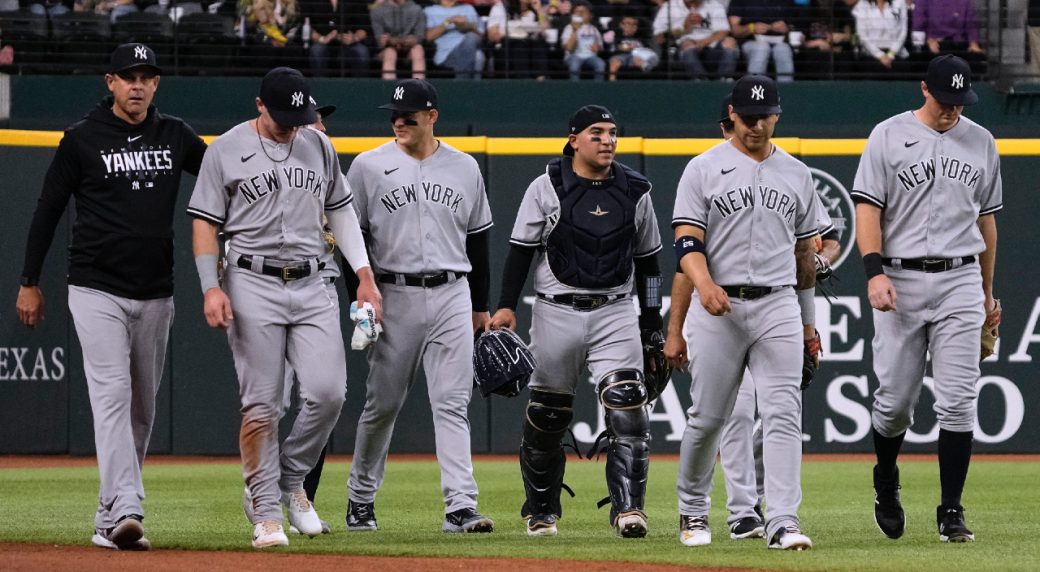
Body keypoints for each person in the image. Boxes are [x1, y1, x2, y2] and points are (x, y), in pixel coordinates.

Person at [15, 43, 207, 551]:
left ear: (156, 84)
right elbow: (47, 209)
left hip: (155, 291)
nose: (137, 84)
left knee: (141, 408)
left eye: (146, 76)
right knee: (113, 395)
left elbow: (221, 174)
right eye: (128, 76)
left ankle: (107, 516)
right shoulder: (81, 139)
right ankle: (127, 504)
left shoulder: (175, 135)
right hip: (95, 286)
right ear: (110, 82)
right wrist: (29, 279)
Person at [187, 66, 380, 549]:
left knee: (329, 392)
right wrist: (211, 285)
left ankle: (285, 479)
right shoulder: (226, 148)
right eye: (283, 115)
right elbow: (205, 223)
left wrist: (364, 273)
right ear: (259, 105)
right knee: (263, 405)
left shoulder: (317, 145)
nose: (292, 123)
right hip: (252, 278)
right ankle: (267, 513)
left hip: (314, 278)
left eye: (300, 114)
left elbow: (341, 210)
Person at [666, 93, 840, 542]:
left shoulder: (798, 174)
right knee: (709, 417)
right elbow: (686, 243)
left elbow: (805, 258)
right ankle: (693, 509)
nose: (755, 125)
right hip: (719, 305)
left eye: (764, 116)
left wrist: (806, 324)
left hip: (778, 302)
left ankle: (782, 519)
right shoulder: (703, 168)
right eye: (747, 117)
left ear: (777, 116)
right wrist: (705, 286)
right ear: (731, 115)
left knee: (784, 413)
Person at [489, 104, 664, 538]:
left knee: (629, 406)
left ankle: (629, 511)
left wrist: (652, 321)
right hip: (555, 308)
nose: (607, 140)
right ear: (573, 140)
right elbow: (519, 251)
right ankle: (541, 510)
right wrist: (507, 305)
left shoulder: (636, 189)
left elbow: (650, 263)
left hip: (615, 308)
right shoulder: (546, 186)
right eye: (596, 132)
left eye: (612, 132)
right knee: (548, 415)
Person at [851, 54, 1001, 544]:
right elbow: (867, 208)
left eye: (960, 101)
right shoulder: (888, 135)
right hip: (900, 276)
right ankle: (886, 478)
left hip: (959, 276)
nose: (952, 110)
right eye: (944, 99)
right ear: (923, 89)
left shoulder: (980, 140)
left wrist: (985, 290)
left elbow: (987, 223)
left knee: (959, 402)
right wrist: (874, 272)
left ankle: (951, 510)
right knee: (894, 403)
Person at [344, 79, 495, 534]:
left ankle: (460, 506)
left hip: (453, 290)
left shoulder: (465, 166)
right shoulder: (368, 166)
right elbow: (351, 240)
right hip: (393, 294)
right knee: (382, 403)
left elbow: (479, 239)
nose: (399, 121)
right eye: (394, 115)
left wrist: (481, 305)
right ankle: (360, 499)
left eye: (409, 115)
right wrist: (360, 294)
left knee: (452, 402)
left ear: (432, 116)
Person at [727, 0, 796, 82]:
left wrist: (786, 28)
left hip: (780, 42)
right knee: (762, 48)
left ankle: (786, 90)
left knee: (783, 50)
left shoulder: (786, 2)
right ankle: (754, 89)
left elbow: (794, 28)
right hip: (750, 42)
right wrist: (752, 28)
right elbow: (734, 30)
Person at [486, 0, 551, 80]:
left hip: (531, 45)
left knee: (539, 43)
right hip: (509, 45)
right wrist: (512, 33)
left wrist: (539, 10)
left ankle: (541, 81)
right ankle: (524, 82)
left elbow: (547, 31)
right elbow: (492, 35)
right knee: (520, 45)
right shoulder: (500, 8)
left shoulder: (534, 10)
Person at [675, 0, 738, 80]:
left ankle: (725, 79)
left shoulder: (715, 5)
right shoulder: (673, 6)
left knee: (730, 41)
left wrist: (704, 42)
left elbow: (723, 31)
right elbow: (665, 36)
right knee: (687, 45)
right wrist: (685, 26)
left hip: (712, 47)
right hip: (686, 49)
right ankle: (700, 81)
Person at [425, 0, 485, 79]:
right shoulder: (430, 11)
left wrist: (466, 25)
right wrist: (449, 21)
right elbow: (428, 36)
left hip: (469, 47)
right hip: (447, 54)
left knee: (478, 55)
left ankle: (464, 85)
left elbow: (481, 36)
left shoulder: (468, 8)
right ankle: (468, 87)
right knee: (478, 56)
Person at [851, 0, 911, 79]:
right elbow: (862, 35)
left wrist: (890, 55)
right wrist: (880, 55)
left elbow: (903, 33)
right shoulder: (862, 5)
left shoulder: (899, 3)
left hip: (895, 53)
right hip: (871, 55)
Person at [370, 0, 427, 80]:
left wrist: (399, 41)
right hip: (386, 50)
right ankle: (389, 89)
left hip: (408, 49)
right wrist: (386, 40)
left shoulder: (416, 9)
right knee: (390, 53)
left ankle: (419, 88)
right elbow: (379, 40)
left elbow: (419, 37)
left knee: (418, 50)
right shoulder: (378, 9)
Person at [562, 2, 606, 80]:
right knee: (574, 65)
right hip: (573, 56)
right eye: (577, 11)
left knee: (601, 64)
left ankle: (598, 88)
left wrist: (597, 47)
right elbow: (568, 48)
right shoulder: (569, 28)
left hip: (591, 56)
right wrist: (575, 30)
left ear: (590, 15)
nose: (580, 14)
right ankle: (575, 89)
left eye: (584, 11)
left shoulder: (594, 29)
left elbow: (600, 46)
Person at [607, 14, 659, 81]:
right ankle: (612, 83)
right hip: (621, 55)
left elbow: (645, 50)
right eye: (628, 23)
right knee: (614, 62)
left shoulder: (640, 39)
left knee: (638, 61)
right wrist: (627, 47)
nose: (631, 26)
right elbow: (617, 47)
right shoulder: (618, 36)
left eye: (634, 24)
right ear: (621, 25)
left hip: (635, 57)